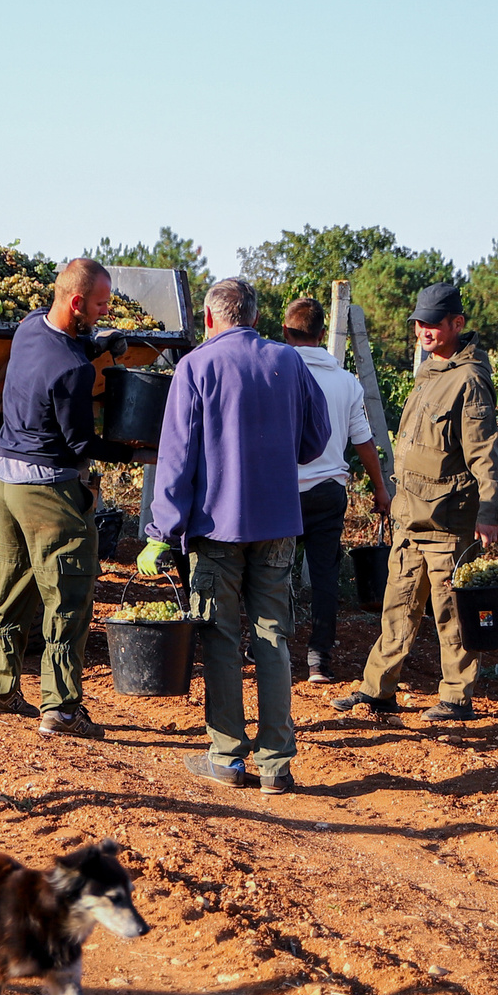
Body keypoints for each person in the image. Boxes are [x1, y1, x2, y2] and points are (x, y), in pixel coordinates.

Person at [136, 277, 330, 794]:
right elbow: (316, 440)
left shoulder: (196, 366)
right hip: (277, 525)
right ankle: (275, 766)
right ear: (256, 318)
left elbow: (175, 461)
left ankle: (226, 758)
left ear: (209, 319)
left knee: (220, 636)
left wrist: (161, 532)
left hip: (215, 529)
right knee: (273, 637)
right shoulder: (289, 362)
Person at [335, 280, 498, 723]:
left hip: (448, 521)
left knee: (452, 614)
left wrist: (489, 513)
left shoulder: (469, 381)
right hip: (411, 516)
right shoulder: (429, 371)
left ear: (457, 324)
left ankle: (456, 697)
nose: (425, 331)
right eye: (419, 324)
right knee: (397, 607)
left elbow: (485, 452)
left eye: (433, 324)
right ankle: (378, 691)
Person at [0, 257, 133, 738]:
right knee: (68, 593)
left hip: (4, 478)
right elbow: (82, 443)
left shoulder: (26, 329)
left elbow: (60, 348)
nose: (107, 312)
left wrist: (94, 346)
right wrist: (135, 453)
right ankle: (61, 709)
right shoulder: (73, 373)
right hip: (47, 489)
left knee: (15, 582)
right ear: (78, 301)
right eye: (102, 305)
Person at [280, 297, 390, 683]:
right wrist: (381, 490)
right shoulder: (346, 382)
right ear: (322, 335)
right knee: (325, 574)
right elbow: (364, 442)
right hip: (328, 492)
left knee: (273, 571)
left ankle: (267, 645)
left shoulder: (276, 374)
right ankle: (318, 659)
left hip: (281, 493)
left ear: (284, 332)